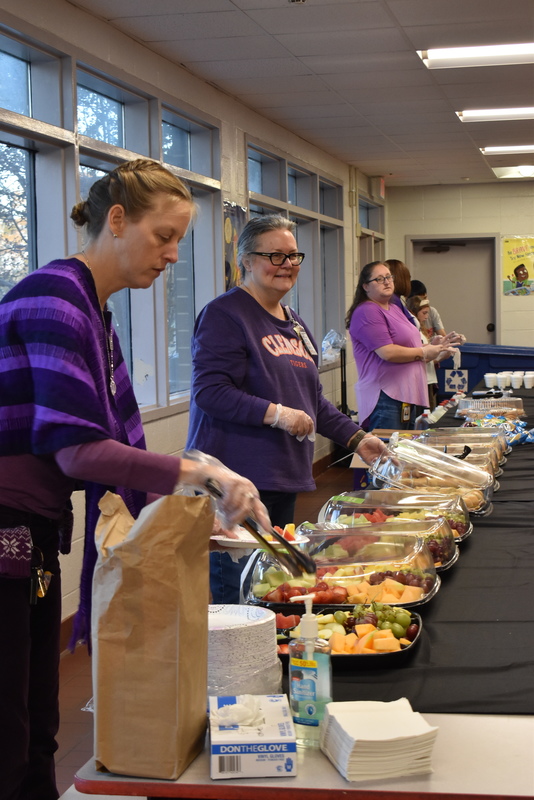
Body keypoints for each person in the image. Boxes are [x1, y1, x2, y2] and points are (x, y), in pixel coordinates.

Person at [0, 159, 270, 800]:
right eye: (164, 236)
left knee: (38, 720)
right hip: (9, 523)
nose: (174, 255)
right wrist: (200, 473)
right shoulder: (55, 299)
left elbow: (117, 446)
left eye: (180, 240)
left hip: (31, 530)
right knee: (10, 729)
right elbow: (78, 452)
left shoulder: (94, 310)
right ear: (116, 220)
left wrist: (197, 507)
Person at [186, 214, 386, 603]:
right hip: (236, 482)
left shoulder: (294, 323)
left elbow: (311, 401)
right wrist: (276, 413)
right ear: (245, 260)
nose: (288, 265)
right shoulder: (225, 315)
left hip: (283, 477)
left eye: (294, 256)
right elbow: (210, 392)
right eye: (275, 256)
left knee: (275, 589)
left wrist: (357, 437)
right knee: (241, 595)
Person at [345, 261, 456, 431]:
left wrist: (434, 346)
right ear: (366, 286)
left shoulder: (394, 308)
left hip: (406, 395)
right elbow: (387, 352)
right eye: (380, 279)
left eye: (389, 277)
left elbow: (411, 346)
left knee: (404, 452)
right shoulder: (367, 311)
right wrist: (424, 351)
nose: (387, 282)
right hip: (385, 396)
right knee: (387, 453)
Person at [405, 295, 439, 410]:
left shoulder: (421, 330)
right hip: (422, 381)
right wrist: (437, 351)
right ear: (414, 313)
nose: (427, 316)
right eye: (424, 313)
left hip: (428, 379)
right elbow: (418, 357)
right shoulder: (413, 331)